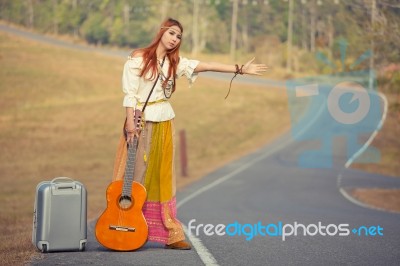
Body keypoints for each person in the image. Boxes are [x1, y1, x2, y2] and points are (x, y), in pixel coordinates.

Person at [111, 18, 268, 250]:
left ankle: (169, 233)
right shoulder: (139, 59)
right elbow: (130, 94)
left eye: (179, 36)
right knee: (135, 174)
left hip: (165, 121)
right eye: (172, 33)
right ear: (162, 32)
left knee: (165, 176)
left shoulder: (176, 63)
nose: (175, 38)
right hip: (140, 121)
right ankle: (126, 227)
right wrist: (131, 124)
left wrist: (239, 69)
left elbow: (206, 65)